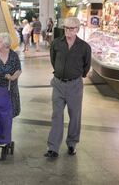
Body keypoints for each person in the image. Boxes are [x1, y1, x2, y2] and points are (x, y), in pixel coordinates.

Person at [44, 17, 92, 158]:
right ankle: (53, 147)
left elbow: (86, 66)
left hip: (75, 85)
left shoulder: (84, 47)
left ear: (77, 29)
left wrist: (75, 75)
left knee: (75, 116)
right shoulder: (57, 43)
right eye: (66, 28)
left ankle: (72, 144)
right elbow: (53, 60)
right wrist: (60, 72)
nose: (67, 31)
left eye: (71, 29)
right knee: (57, 115)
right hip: (58, 84)